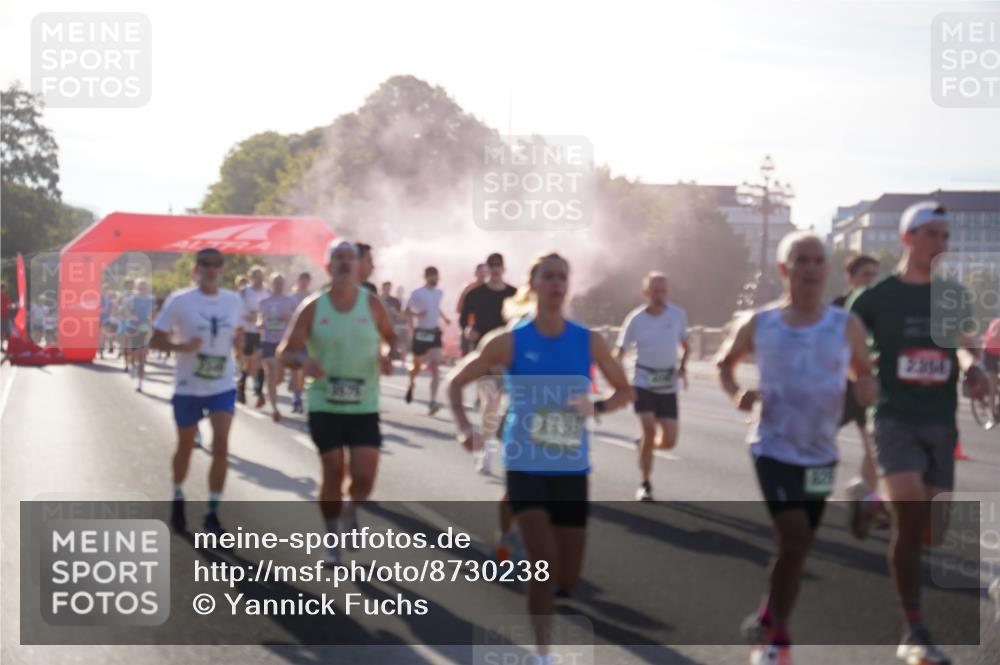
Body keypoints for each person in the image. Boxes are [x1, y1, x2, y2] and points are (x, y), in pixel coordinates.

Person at [447, 253, 633, 665]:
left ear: (568, 285)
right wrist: (464, 428)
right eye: (547, 276)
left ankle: (541, 587)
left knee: (567, 577)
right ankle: (542, 653)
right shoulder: (509, 341)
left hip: (571, 468)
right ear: (532, 284)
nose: (556, 284)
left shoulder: (588, 340)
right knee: (542, 563)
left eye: (561, 277)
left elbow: (625, 390)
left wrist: (597, 407)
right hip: (524, 463)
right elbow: (456, 381)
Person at [717, 232, 877, 665]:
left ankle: (766, 616)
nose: (809, 268)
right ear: (784, 269)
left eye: (817, 261)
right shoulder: (760, 323)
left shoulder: (846, 325)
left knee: (799, 547)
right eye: (800, 260)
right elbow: (724, 364)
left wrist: (867, 387)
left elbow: (865, 374)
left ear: (827, 270)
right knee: (793, 538)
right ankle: (777, 638)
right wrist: (736, 393)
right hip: (771, 447)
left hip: (822, 453)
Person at [849, 202, 988, 665]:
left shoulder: (953, 296)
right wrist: (860, 376)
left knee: (933, 531)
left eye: (946, 236)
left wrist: (972, 369)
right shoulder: (874, 298)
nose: (942, 243)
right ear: (908, 238)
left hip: (940, 421)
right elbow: (847, 348)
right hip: (895, 417)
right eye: (932, 234)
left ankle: (872, 500)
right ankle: (914, 629)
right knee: (909, 520)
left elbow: (962, 347)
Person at [278, 241, 396, 566]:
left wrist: (387, 355)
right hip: (324, 402)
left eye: (350, 258)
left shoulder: (372, 304)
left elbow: (390, 338)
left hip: (364, 404)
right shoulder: (313, 307)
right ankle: (331, 539)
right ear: (328, 266)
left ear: (358, 266)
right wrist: (303, 362)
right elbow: (285, 352)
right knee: (332, 470)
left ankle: (350, 509)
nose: (345, 263)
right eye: (338, 258)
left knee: (364, 477)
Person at [150, 247, 244, 536]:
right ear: (196, 269)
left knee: (221, 445)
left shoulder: (233, 300)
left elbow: (238, 333)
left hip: (222, 385)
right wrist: (182, 347)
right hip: (189, 385)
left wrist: (241, 351)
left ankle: (212, 513)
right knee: (186, 446)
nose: (211, 269)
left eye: (216, 264)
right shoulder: (180, 301)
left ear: (222, 269)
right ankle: (178, 495)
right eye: (205, 264)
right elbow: (155, 340)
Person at [615, 271, 690, 501]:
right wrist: (621, 383)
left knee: (669, 441)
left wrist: (683, 366)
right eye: (655, 291)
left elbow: (686, 345)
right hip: (643, 382)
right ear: (646, 293)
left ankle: (644, 445)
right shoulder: (636, 319)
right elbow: (619, 352)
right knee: (649, 430)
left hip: (667, 385)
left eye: (664, 291)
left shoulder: (677, 315)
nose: (660, 296)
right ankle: (645, 484)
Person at [829, 254, 885, 539]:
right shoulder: (837, 308)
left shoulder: (881, 308)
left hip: (865, 388)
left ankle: (865, 499)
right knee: (819, 443)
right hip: (837, 389)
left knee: (873, 449)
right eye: (865, 275)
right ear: (849, 278)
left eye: (874, 275)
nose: (870, 280)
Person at [459, 252, 518, 474]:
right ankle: (484, 451)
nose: (494, 270)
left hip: (510, 356)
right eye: (491, 266)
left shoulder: (514, 295)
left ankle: (503, 428)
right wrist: (468, 329)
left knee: (514, 403)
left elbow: (525, 320)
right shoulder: (475, 294)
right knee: (490, 402)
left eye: (498, 266)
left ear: (503, 269)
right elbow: (464, 319)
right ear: (486, 269)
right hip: (484, 355)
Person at [405, 267, 451, 414]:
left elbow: (436, 307)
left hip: (434, 332)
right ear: (426, 277)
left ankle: (432, 401)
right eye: (434, 277)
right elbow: (406, 311)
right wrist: (417, 314)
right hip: (421, 332)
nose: (436, 280)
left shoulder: (439, 292)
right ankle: (411, 383)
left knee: (435, 365)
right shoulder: (417, 293)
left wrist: (444, 318)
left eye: (437, 277)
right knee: (417, 367)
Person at [258, 273, 298, 422]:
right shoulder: (264, 301)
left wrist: (290, 317)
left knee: (279, 376)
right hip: (268, 340)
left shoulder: (291, 300)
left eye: (281, 281)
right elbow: (260, 318)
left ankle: (268, 390)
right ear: (271, 283)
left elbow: (299, 319)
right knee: (271, 371)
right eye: (276, 281)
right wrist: (260, 323)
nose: (278, 284)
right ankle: (274, 407)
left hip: (284, 341)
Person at [238, 266, 269, 406]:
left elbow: (270, 308)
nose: (258, 278)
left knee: (260, 361)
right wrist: (245, 317)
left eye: (260, 275)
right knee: (248, 362)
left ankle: (259, 392)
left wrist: (262, 317)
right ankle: (241, 388)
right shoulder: (244, 291)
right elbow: (237, 309)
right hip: (247, 330)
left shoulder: (267, 291)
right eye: (255, 276)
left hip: (261, 332)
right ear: (251, 277)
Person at [288, 272, 313, 413]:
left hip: (308, 337)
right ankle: (295, 396)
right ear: (298, 281)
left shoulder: (311, 297)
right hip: (294, 335)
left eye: (306, 280)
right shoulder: (292, 297)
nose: (304, 283)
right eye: (302, 280)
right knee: (294, 367)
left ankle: (298, 394)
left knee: (303, 369)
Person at [125, 279, 155, 392]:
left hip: (145, 328)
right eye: (141, 287)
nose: (143, 290)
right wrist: (131, 316)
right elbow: (125, 311)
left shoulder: (151, 299)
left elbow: (155, 313)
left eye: (145, 287)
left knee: (142, 355)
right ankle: (132, 363)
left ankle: (140, 384)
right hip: (134, 327)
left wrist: (151, 319)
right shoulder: (132, 299)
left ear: (148, 288)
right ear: (137, 288)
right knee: (134, 352)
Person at [457, 263, 487, 356]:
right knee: (467, 356)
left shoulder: (491, 290)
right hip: (470, 328)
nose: (482, 274)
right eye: (480, 271)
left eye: (484, 272)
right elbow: (459, 308)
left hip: (485, 328)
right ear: (476, 273)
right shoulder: (468, 289)